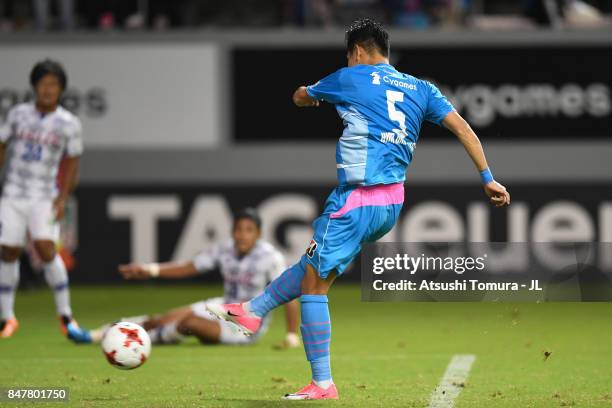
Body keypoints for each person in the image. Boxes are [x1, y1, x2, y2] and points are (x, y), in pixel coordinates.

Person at [207, 18, 511, 400]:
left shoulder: (351, 78)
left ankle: (322, 383)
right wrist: (487, 178)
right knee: (313, 265)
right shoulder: (421, 88)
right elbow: (464, 129)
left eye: (349, 56)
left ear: (357, 52)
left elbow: (299, 97)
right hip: (392, 203)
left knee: (314, 287)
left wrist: (311, 93)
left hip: (356, 199)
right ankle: (252, 310)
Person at [68, 208, 300, 348]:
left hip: (245, 326)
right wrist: (150, 270)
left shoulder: (271, 257)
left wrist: (291, 335)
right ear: (232, 231)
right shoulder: (225, 248)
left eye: (249, 229)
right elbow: (189, 267)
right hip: (222, 306)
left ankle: (136, 343)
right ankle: (97, 335)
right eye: (238, 229)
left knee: (187, 324)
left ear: (258, 233)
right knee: (162, 318)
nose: (242, 234)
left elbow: (288, 295)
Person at [0, 59, 88, 340]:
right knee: (7, 251)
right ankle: (7, 317)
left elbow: (73, 162)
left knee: (46, 247)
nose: (48, 89)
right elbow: (2, 145)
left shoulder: (68, 123)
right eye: (43, 83)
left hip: (44, 196)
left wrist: (63, 197)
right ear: (35, 86)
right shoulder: (17, 114)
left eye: (54, 84)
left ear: (61, 89)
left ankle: (66, 316)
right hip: (13, 192)